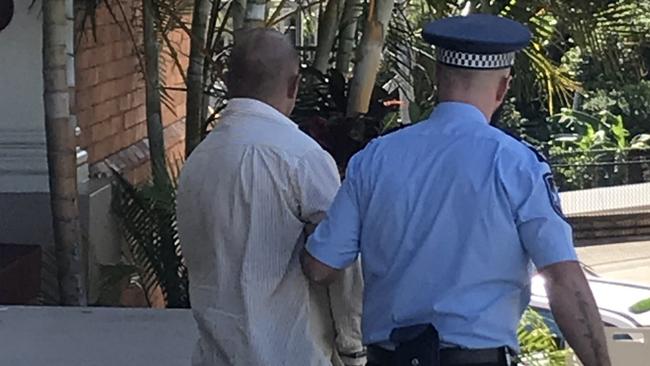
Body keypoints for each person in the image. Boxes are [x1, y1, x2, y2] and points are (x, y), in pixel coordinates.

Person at [301, 14, 611, 366]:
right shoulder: (516, 164)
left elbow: (320, 267)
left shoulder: (374, 159)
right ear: (502, 88)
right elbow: (562, 279)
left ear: (437, 78)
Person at [177, 28, 364, 366]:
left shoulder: (197, 161)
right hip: (294, 355)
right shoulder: (301, 158)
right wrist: (353, 345)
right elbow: (343, 261)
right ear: (293, 85)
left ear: (229, 82)